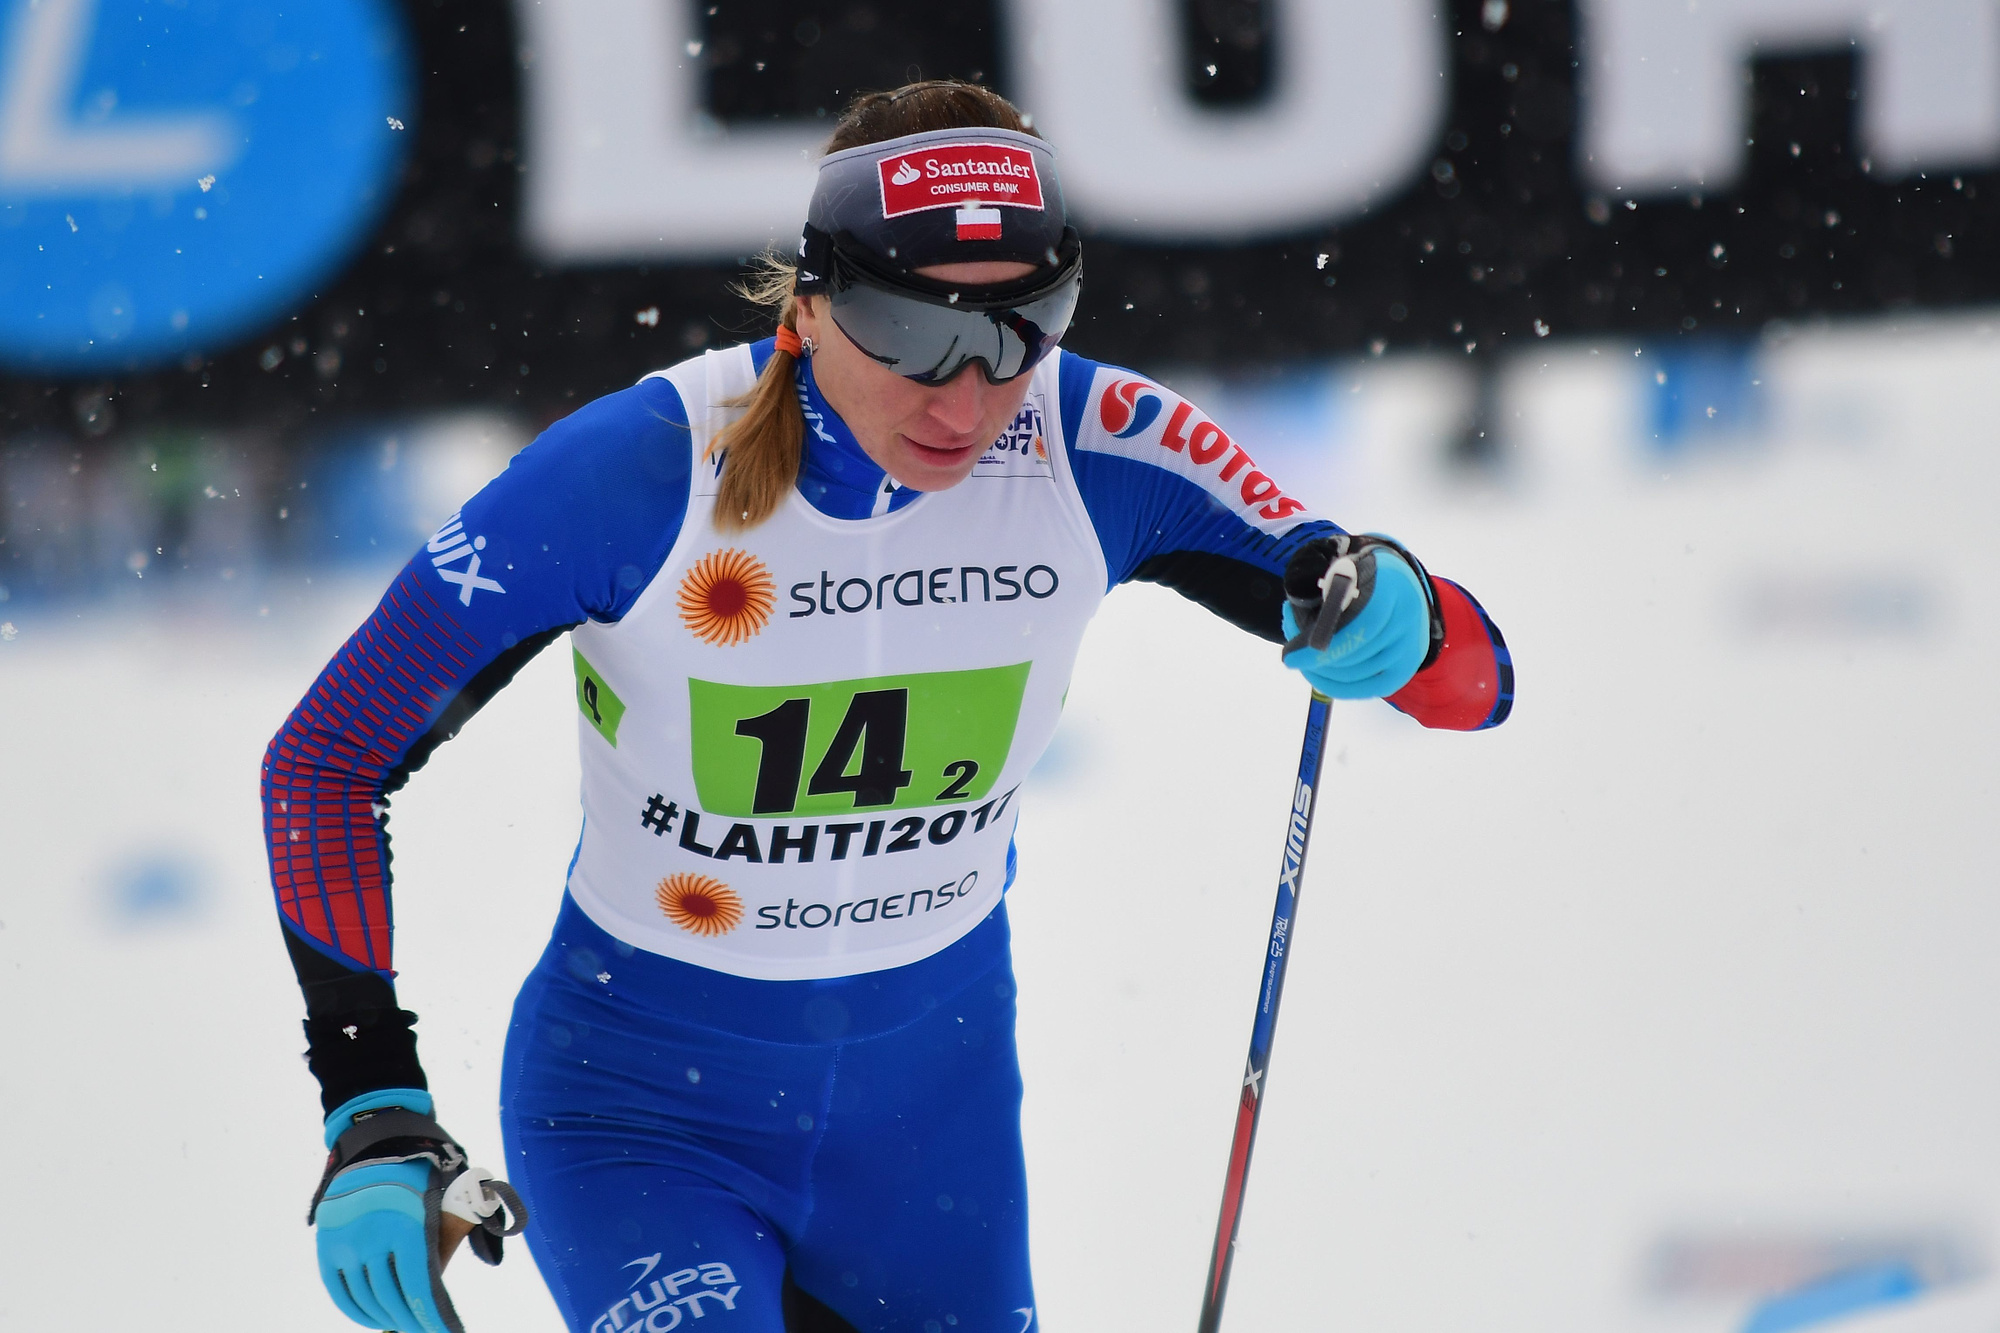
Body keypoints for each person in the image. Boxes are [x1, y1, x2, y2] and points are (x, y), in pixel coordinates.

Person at [264, 80, 1513, 1333]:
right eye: (912, 336)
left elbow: (1467, 682)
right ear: (809, 306)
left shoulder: (1099, 445)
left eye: (1021, 330)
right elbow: (326, 757)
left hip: (931, 1131)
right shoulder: (634, 472)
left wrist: (1406, 611)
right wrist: (371, 1104)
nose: (965, 399)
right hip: (643, 1117)